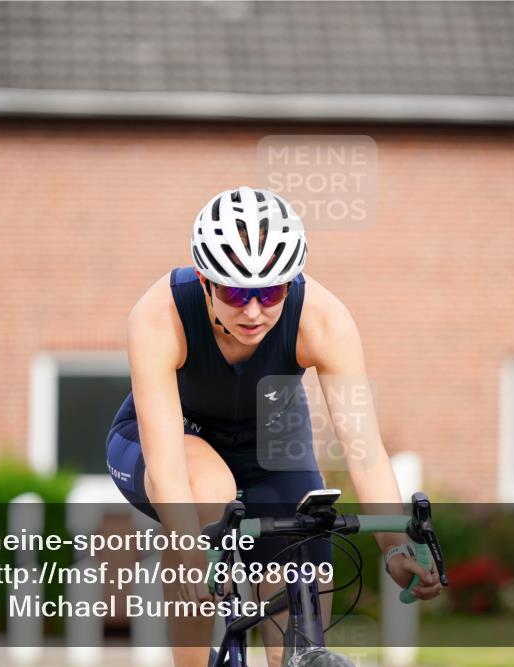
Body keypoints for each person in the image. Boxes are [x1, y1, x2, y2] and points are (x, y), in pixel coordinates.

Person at [106, 186, 440, 667]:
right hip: (169, 440)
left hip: (269, 442)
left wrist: (394, 546)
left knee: (305, 547)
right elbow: (167, 474)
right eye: (236, 292)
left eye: (271, 292)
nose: (254, 311)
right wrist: (193, 559)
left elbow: (364, 449)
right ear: (204, 280)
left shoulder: (323, 319)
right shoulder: (159, 316)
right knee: (206, 495)